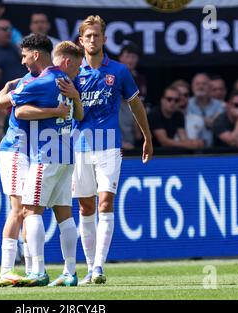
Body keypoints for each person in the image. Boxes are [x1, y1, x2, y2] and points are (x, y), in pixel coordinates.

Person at [73, 15, 153, 285]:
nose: (93, 40)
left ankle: (99, 267)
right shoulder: (73, 74)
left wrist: (147, 136)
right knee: (86, 208)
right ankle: (88, 267)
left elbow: (135, 104)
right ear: (80, 41)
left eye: (97, 35)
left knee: (105, 203)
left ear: (105, 39)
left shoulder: (118, 71)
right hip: (78, 147)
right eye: (88, 36)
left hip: (108, 146)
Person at [0, 34, 78, 287]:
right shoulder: (64, 78)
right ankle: (68, 272)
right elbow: (79, 111)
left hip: (43, 153)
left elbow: (10, 107)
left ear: (36, 54)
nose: (22, 61)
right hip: (61, 152)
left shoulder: (38, 82)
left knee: (28, 209)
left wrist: (9, 89)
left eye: (24, 55)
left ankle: (34, 270)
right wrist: (68, 104)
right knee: (60, 212)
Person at [0, 17, 27, 88]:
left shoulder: (15, 47)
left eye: (10, 29)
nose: (8, 32)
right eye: (4, 29)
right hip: (4, 93)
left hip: (24, 90)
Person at [187, 73, 224, 147]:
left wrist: (197, 119)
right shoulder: (186, 105)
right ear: (192, 87)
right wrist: (209, 120)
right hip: (191, 149)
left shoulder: (220, 105)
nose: (201, 87)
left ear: (210, 87)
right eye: (197, 84)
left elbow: (218, 124)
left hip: (215, 150)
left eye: (204, 84)